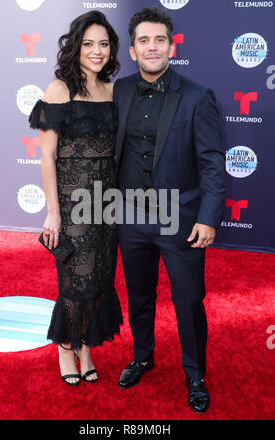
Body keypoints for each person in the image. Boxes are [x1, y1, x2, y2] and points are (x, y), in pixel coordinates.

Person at [113, 6, 225, 414]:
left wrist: (209, 216)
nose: (152, 47)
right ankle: (143, 355)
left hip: (180, 217)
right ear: (132, 49)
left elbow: (213, 160)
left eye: (160, 39)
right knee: (139, 295)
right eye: (144, 40)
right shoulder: (120, 91)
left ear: (172, 46)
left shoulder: (197, 96)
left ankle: (195, 373)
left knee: (189, 299)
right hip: (129, 216)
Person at [29, 11, 123, 386]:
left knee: (100, 276)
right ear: (75, 47)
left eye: (103, 44)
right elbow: (47, 155)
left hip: (107, 202)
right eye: (89, 44)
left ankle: (86, 345)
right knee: (74, 279)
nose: (97, 51)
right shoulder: (59, 89)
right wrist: (53, 212)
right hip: (72, 203)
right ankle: (66, 347)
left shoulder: (113, 91)